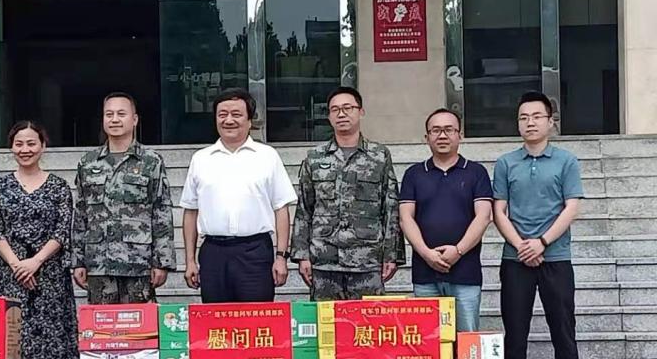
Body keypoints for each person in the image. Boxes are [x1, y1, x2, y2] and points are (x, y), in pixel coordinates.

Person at [494, 91, 586, 359]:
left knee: (563, 330)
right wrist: (522, 245)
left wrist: (543, 242)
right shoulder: (506, 163)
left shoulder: (566, 161)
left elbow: (571, 207)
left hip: (556, 258)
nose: (529, 122)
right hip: (515, 258)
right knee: (515, 331)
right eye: (523, 117)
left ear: (550, 122)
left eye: (536, 116)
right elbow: (499, 211)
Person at [181, 88, 297, 303]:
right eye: (222, 114)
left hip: (255, 252)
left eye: (236, 114)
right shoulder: (201, 159)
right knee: (216, 319)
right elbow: (190, 211)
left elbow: (281, 208)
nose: (229, 120)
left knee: (257, 317)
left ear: (250, 120)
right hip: (213, 253)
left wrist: (281, 256)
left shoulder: (267, 156)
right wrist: (189, 260)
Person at [291, 86, 405, 300]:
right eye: (335, 110)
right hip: (324, 260)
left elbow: (390, 207)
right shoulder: (315, 157)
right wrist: (302, 255)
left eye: (347, 108)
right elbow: (304, 209)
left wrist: (392, 255)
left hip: (367, 260)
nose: (341, 114)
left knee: (368, 319)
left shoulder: (379, 156)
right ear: (329, 116)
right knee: (325, 320)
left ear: (360, 112)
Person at [0, 121, 78, 359]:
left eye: (31, 143)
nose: (25, 149)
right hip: (9, 276)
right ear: (11, 147)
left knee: (51, 341)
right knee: (12, 338)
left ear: (43, 146)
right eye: (19, 144)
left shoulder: (59, 186)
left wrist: (35, 261)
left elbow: (62, 230)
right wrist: (17, 265)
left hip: (49, 276)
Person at [72, 92, 176, 304]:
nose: (114, 119)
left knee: (140, 322)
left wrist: (162, 261)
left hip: (138, 262)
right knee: (102, 322)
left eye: (121, 114)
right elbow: (81, 213)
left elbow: (161, 211)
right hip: (99, 262)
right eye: (109, 114)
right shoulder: (88, 162)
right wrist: (78, 261)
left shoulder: (151, 161)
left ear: (134, 119)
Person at [399, 108, 493, 331]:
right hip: (425, 274)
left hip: (466, 273)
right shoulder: (414, 174)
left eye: (449, 130)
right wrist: (426, 253)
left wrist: (458, 251)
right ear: (426, 137)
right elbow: (405, 218)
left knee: (466, 340)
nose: (442, 135)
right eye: (436, 130)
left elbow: (484, 216)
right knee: (428, 341)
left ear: (460, 135)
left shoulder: (476, 172)